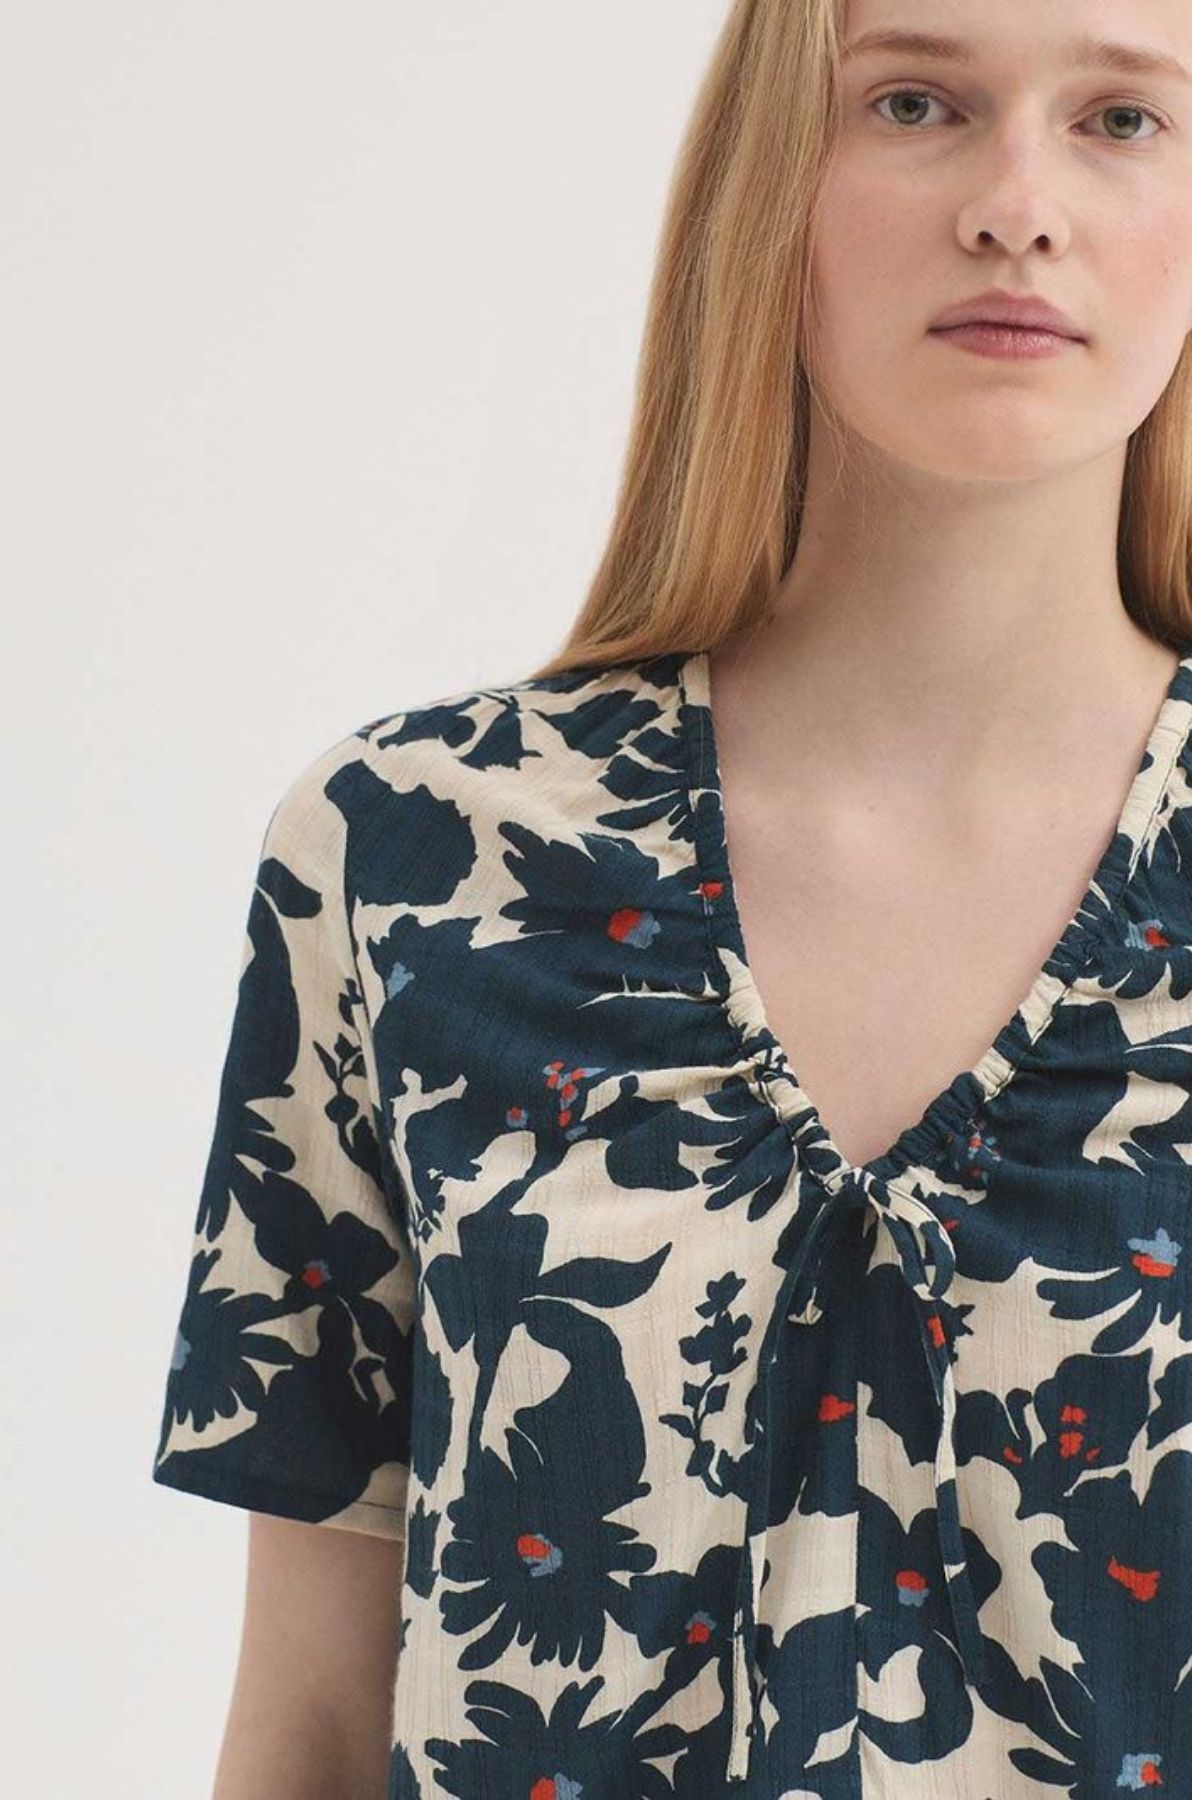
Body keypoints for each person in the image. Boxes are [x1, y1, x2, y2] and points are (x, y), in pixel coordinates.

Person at [151, 1, 1192, 1794]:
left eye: (1123, 120)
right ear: (763, 178)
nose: (1017, 205)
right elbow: (310, 1712)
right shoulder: (412, 855)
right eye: (916, 102)